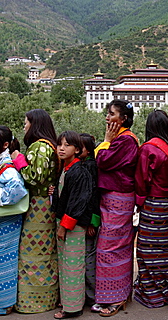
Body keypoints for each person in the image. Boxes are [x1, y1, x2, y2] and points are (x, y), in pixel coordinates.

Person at [11, 109, 59, 313]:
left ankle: (33, 302)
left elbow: (33, 177)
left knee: (32, 252)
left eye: (26, 123)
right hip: (46, 205)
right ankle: (49, 297)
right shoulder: (52, 146)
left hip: (37, 207)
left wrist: (17, 159)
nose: (24, 126)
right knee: (46, 251)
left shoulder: (39, 147)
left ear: (35, 124)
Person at [93, 99, 139, 317]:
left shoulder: (126, 141)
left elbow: (102, 160)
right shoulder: (120, 140)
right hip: (111, 199)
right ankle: (112, 295)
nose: (107, 118)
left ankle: (116, 297)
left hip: (119, 199)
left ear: (124, 119)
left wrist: (105, 141)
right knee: (110, 246)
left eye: (111, 114)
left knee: (111, 247)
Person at [134, 110, 168, 308]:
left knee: (147, 248)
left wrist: (139, 201)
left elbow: (142, 179)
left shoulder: (148, 149)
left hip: (153, 204)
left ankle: (152, 292)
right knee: (167, 247)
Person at [0, 125, 28, 316]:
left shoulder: (8, 167)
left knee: (5, 261)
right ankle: (0, 300)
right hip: (1, 219)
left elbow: (18, 190)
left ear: (5, 144)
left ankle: (6, 303)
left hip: (8, 220)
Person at [51, 131, 94, 319]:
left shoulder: (79, 172)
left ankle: (72, 308)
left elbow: (77, 203)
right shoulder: (67, 169)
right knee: (66, 264)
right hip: (66, 224)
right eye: (60, 144)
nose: (61, 148)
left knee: (73, 266)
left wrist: (63, 226)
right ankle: (69, 301)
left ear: (76, 150)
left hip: (73, 226)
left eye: (67, 145)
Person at [79, 133, 101, 307]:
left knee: (89, 259)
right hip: (85, 220)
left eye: (81, 147)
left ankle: (93, 295)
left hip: (89, 221)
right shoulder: (83, 165)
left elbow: (93, 196)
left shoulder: (90, 167)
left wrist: (92, 222)